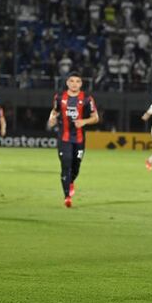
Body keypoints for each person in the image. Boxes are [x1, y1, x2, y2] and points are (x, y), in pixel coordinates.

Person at [47, 72, 99, 208]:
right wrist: (51, 119)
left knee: (76, 167)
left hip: (79, 139)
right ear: (67, 83)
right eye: (72, 81)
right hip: (64, 138)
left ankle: (70, 182)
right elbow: (55, 111)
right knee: (66, 165)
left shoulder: (87, 99)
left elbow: (96, 117)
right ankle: (67, 197)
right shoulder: (59, 97)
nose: (74, 83)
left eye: (77, 81)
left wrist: (84, 121)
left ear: (81, 84)